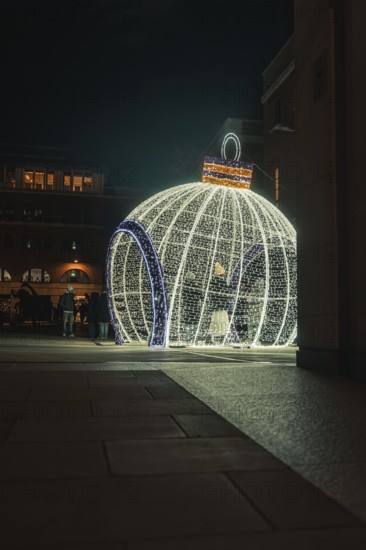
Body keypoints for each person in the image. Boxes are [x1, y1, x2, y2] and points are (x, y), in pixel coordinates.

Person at [207, 262, 230, 344]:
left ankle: (213, 337)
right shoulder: (222, 282)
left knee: (215, 321)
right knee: (222, 322)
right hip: (222, 306)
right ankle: (221, 338)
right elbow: (227, 292)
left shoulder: (212, 281)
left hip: (215, 306)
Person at [182, 271, 202, 344]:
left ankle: (187, 338)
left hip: (187, 307)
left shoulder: (184, 286)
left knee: (187, 323)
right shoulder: (196, 286)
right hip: (195, 307)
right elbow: (201, 295)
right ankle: (193, 338)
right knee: (194, 323)